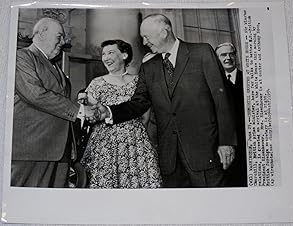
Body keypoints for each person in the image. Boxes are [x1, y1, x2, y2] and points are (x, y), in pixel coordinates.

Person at [89, 14, 237, 188]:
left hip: (205, 154)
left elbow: (222, 99)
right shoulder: (149, 67)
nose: (144, 43)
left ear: (164, 32)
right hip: (170, 160)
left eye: (147, 37)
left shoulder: (202, 52)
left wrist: (226, 142)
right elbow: (138, 103)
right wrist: (109, 111)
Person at [11, 17, 88, 187]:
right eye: (59, 36)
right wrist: (80, 110)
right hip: (33, 149)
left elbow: (58, 102)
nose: (63, 42)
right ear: (41, 33)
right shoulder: (22, 57)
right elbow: (35, 94)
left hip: (60, 151)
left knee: (53, 204)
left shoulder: (54, 66)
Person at [80, 39, 162, 188]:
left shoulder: (139, 81)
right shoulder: (96, 83)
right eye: (103, 54)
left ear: (124, 55)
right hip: (104, 145)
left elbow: (145, 117)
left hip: (135, 145)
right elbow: (90, 115)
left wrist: (131, 134)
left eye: (110, 52)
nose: (105, 57)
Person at [215, 42, 247, 186]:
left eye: (231, 54)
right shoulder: (213, 84)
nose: (228, 57)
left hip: (247, 143)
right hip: (225, 146)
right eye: (223, 55)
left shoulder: (249, 80)